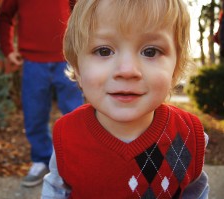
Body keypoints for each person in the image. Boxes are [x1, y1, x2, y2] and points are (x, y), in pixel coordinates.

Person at [41, 0, 209, 198]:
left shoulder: (188, 136)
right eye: (104, 51)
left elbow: (194, 191)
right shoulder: (67, 136)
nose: (127, 70)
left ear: (176, 67)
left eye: (150, 51)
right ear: (77, 68)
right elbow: (55, 191)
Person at [0, 0, 84, 187]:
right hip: (33, 61)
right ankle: (41, 160)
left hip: (67, 59)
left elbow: (84, 11)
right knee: (34, 113)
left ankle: (75, 163)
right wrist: (8, 50)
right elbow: (4, 16)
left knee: (75, 114)